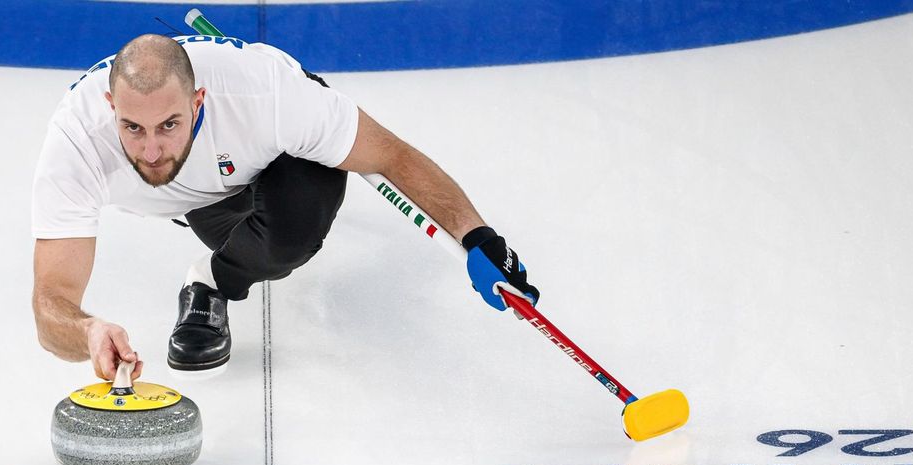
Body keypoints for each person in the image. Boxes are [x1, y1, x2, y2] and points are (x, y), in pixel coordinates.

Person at [31, 32, 537, 382]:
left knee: (291, 233)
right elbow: (50, 302)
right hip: (208, 200)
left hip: (282, 157)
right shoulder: (76, 141)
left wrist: (478, 236)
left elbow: (392, 157)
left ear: (198, 101)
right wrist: (86, 331)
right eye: (132, 128)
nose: (151, 151)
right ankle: (222, 249)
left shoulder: (268, 95)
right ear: (110, 109)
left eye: (169, 124)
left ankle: (211, 280)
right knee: (255, 240)